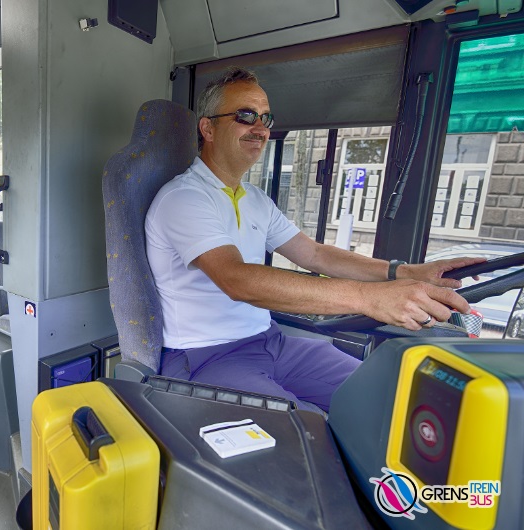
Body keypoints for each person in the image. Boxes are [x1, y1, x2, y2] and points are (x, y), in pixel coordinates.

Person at [145, 67, 484, 412]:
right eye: (246, 116)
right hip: (207, 356)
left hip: (271, 342)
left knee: (387, 401)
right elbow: (237, 279)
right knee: (305, 437)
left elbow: (315, 254)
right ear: (208, 128)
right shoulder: (183, 198)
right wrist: (370, 299)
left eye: (266, 118)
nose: (260, 129)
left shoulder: (255, 199)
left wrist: (407, 273)